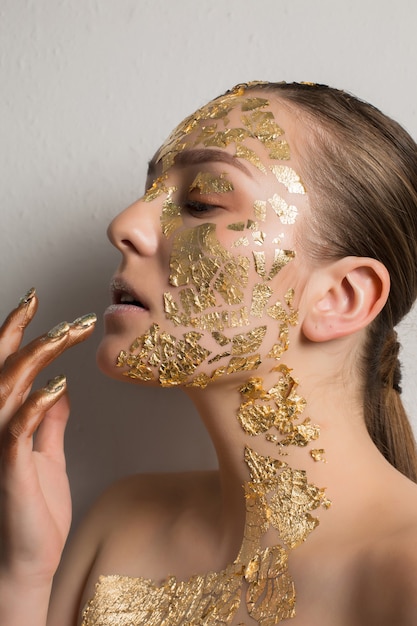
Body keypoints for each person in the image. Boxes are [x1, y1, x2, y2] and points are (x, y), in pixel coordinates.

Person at [1, 81, 417, 626]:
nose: (123, 225)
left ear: (341, 298)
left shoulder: (403, 573)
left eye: (200, 202)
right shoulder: (120, 523)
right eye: (149, 192)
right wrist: (22, 573)